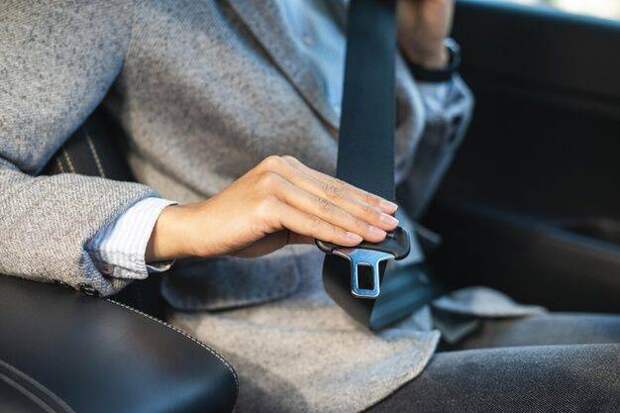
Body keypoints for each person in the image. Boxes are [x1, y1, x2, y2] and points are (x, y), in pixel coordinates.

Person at [1, 1, 619, 411]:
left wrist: (426, 56)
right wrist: (181, 224)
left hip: (424, 308)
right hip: (300, 360)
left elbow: (403, 198)